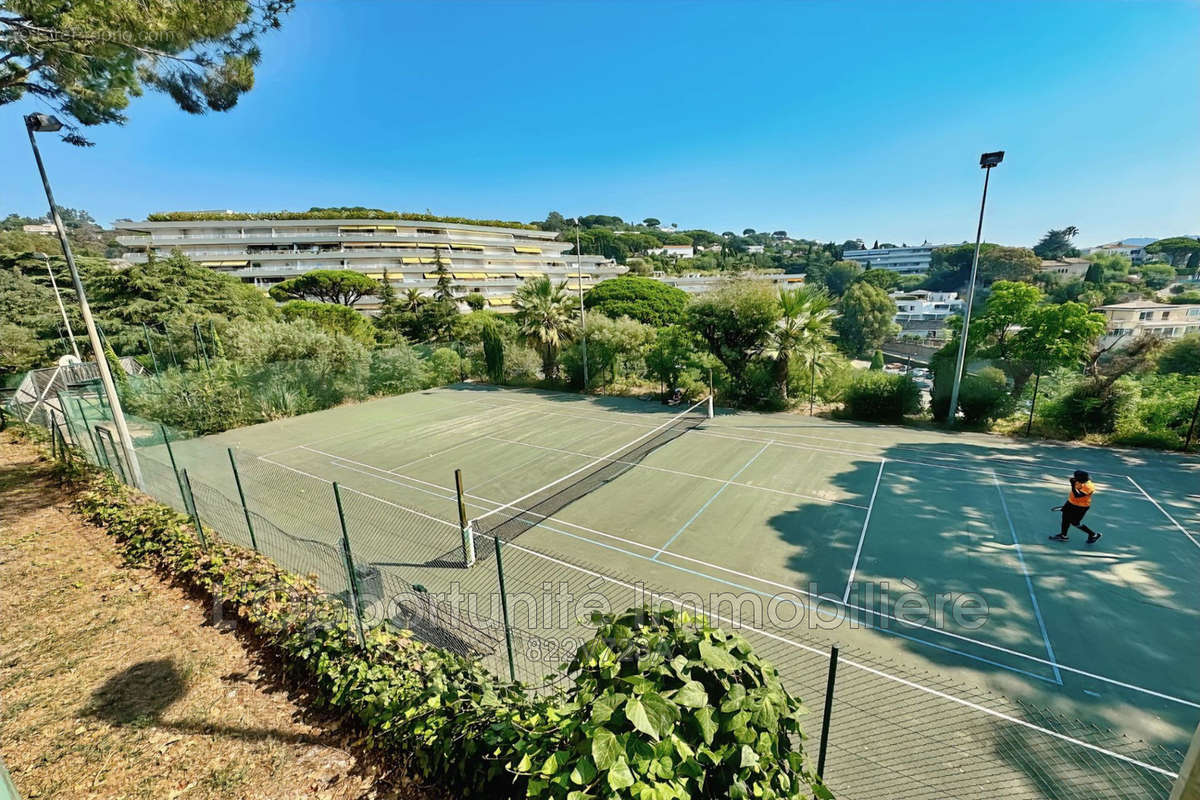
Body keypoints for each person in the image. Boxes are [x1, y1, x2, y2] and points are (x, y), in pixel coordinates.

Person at [1049, 470, 1101, 544]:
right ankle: (1063, 536)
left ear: (1082, 478)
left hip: (1081, 507)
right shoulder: (1078, 480)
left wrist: (1072, 485)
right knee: (1065, 518)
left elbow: (1077, 495)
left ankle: (1093, 535)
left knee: (1075, 522)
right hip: (1071, 503)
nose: (1075, 478)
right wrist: (1066, 507)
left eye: (1076, 477)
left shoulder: (1089, 486)